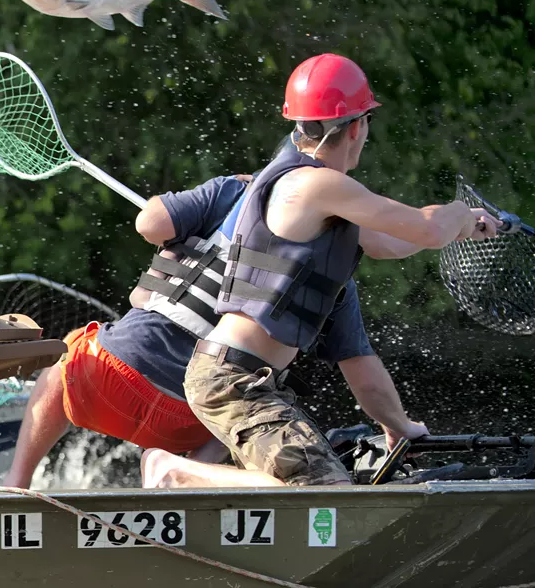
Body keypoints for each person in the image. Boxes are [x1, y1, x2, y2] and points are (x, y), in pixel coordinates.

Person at [3, 145, 429, 489]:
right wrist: (399, 427)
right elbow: (364, 373)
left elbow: (150, 222)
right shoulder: (334, 273)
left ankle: (16, 486)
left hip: (114, 379)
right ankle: (186, 482)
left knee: (69, 357)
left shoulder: (230, 192)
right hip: (191, 419)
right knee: (234, 405)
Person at [182, 53, 498, 487]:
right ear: (357, 127)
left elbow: (390, 241)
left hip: (246, 378)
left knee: (323, 487)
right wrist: (459, 211)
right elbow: (426, 229)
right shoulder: (316, 185)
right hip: (233, 377)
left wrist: (460, 227)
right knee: (325, 491)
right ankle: (175, 473)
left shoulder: (312, 191)